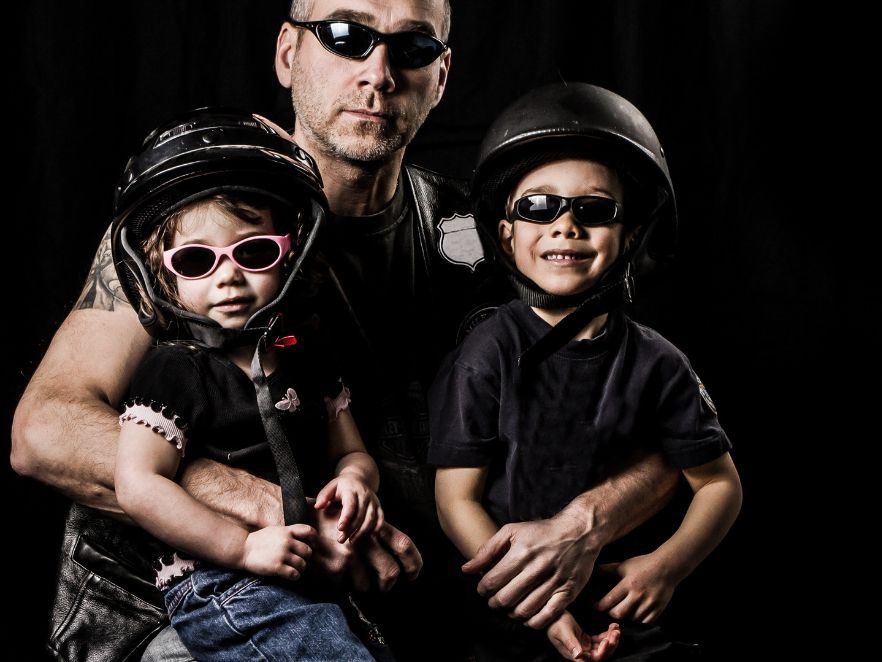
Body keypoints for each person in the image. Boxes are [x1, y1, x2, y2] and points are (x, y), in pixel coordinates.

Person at [11, 2, 680, 660]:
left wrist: (584, 525)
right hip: (197, 608)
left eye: (412, 47)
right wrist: (284, 511)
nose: (379, 72)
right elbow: (46, 429)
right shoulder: (198, 219)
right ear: (287, 53)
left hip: (416, 606)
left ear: (441, 76)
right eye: (344, 35)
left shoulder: (481, 235)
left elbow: (665, 421)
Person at [430, 83, 743, 661]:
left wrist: (666, 567)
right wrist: (543, 609)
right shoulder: (486, 352)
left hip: (626, 616)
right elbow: (456, 500)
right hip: (508, 619)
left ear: (629, 236)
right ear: (506, 234)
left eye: (594, 210)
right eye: (538, 207)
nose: (565, 225)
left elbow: (719, 484)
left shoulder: (660, 364)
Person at [111, 108, 391, 661]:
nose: (229, 276)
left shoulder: (306, 357)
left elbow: (352, 452)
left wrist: (357, 482)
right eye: (197, 261)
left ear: (290, 254)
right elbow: (138, 484)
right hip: (218, 579)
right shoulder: (176, 369)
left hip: (302, 572)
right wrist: (240, 548)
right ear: (162, 273)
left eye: (254, 251)